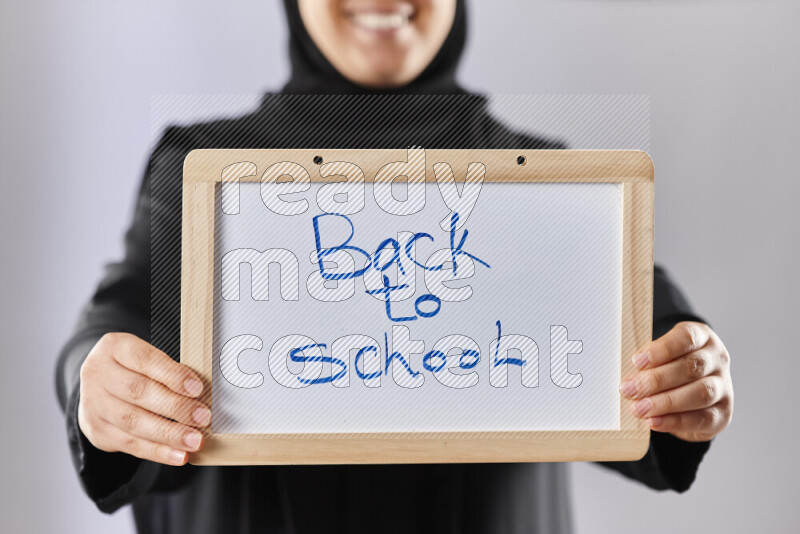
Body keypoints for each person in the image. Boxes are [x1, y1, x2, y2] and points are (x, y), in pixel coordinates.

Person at [55, 1, 734, 533]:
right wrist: (101, 387)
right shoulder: (200, 167)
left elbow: (653, 331)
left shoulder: (552, 187)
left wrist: (687, 368)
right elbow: (118, 321)